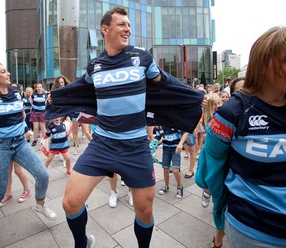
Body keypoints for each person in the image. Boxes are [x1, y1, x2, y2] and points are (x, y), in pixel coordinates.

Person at [195, 26, 286, 248]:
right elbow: (212, 168)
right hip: (251, 228)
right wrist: (220, 214)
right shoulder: (233, 112)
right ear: (263, 63)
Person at [61, 7, 162, 248]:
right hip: (102, 144)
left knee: (144, 210)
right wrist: (58, 98)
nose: (127, 29)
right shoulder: (95, 66)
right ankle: (82, 243)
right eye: (122, 25)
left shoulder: (143, 58)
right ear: (105, 30)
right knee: (70, 203)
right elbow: (79, 91)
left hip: (136, 146)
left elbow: (164, 86)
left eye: (128, 25)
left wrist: (190, 99)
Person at [0, 62, 56, 248]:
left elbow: (19, 115)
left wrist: (26, 131)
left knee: (43, 175)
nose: (8, 73)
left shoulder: (15, 92)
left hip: (20, 143)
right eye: (3, 71)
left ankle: (39, 204)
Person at [158, 127, 188, 198]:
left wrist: (181, 143)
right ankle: (166, 186)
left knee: (175, 170)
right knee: (165, 169)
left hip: (175, 149)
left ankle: (179, 186)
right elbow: (160, 134)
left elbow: (186, 132)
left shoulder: (177, 121)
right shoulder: (163, 123)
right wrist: (159, 140)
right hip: (165, 148)